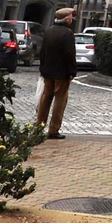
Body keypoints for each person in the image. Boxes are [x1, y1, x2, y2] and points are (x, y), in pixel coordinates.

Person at [37, 8, 79, 140]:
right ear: (67, 19)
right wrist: (72, 71)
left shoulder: (48, 31)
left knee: (45, 98)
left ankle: (38, 126)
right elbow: (69, 54)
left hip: (48, 71)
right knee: (60, 101)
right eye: (71, 16)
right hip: (62, 73)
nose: (72, 19)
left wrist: (42, 69)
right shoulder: (67, 33)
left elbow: (42, 52)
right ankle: (53, 129)